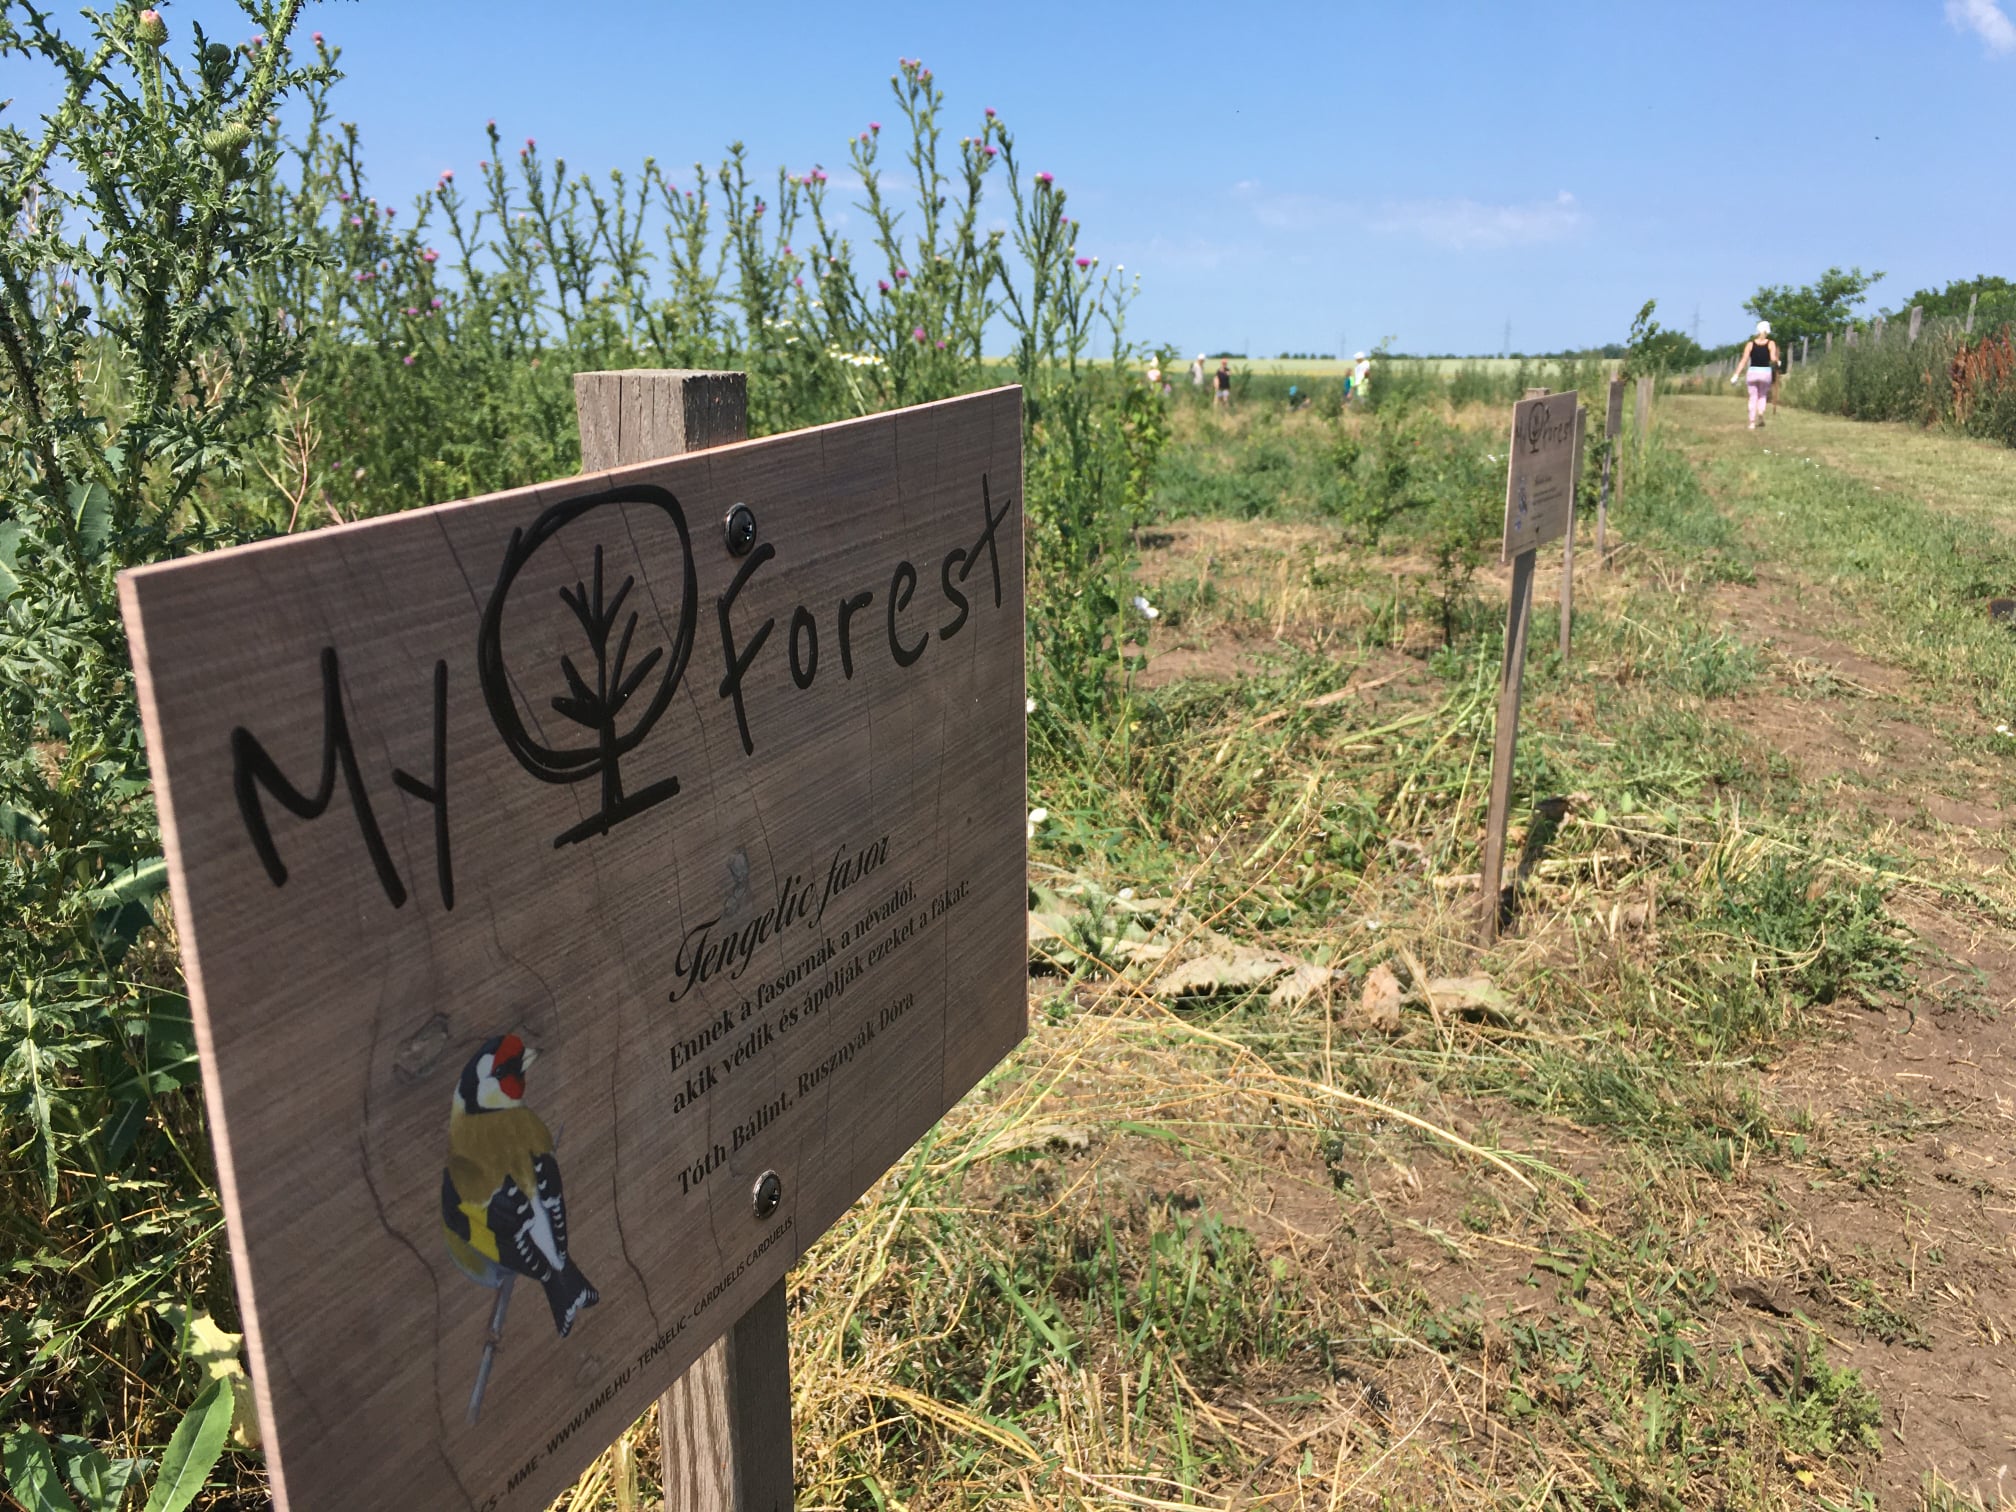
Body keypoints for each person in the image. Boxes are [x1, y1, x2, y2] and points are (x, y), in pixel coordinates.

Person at [1730, 320, 1779, 429]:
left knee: (1753, 397)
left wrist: (1736, 375)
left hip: (1752, 372)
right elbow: (1773, 359)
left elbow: (1743, 360)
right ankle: (1760, 412)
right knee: (1762, 395)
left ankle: (1752, 422)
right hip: (1765, 373)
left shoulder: (1750, 344)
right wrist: (1778, 361)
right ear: (1767, 331)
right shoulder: (1771, 343)